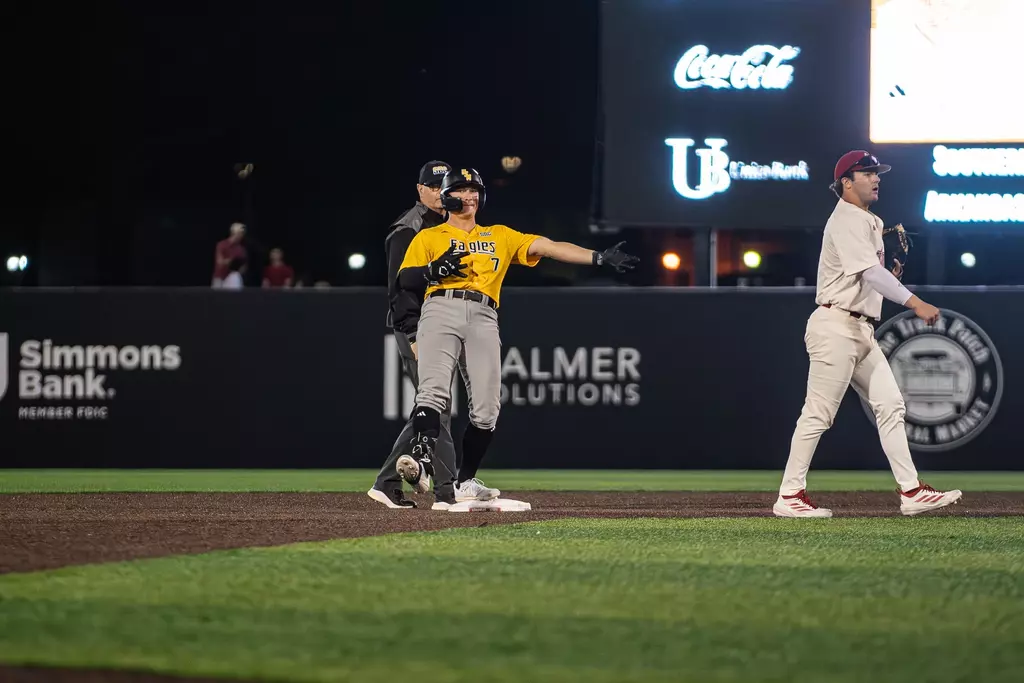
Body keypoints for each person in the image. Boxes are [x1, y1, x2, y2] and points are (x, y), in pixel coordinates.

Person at [393, 167, 639, 510]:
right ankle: (421, 461)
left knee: (487, 409)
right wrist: (433, 272)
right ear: (447, 196)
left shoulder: (499, 235)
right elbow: (405, 281)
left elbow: (549, 247)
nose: (470, 196)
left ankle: (464, 482)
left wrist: (596, 257)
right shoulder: (430, 237)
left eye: (474, 189)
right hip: (441, 307)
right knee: (432, 391)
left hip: (483, 314)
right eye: (462, 190)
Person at [773, 150, 962, 518]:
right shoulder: (845, 218)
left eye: (878, 173)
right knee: (819, 413)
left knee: (891, 405)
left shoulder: (869, 220)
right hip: (835, 325)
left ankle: (911, 492)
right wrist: (914, 301)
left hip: (860, 328)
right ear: (846, 181)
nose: (876, 178)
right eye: (867, 173)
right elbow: (870, 275)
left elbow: (870, 276)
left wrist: (885, 273)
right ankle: (790, 495)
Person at [366, 160, 493, 509]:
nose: (440, 194)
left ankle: (388, 482)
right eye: (433, 187)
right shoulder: (409, 228)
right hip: (418, 327)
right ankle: (448, 490)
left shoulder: (448, 224)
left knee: (432, 408)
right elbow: (400, 288)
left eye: (444, 187)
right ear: (420, 190)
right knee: (438, 408)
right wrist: (412, 334)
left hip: (443, 325)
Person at [212, 223, 247, 287]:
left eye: (242, 233)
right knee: (217, 296)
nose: (241, 236)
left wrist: (239, 270)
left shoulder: (241, 249)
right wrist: (231, 262)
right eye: (240, 233)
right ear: (234, 233)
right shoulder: (222, 245)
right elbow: (219, 262)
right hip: (220, 277)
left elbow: (243, 266)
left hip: (233, 279)